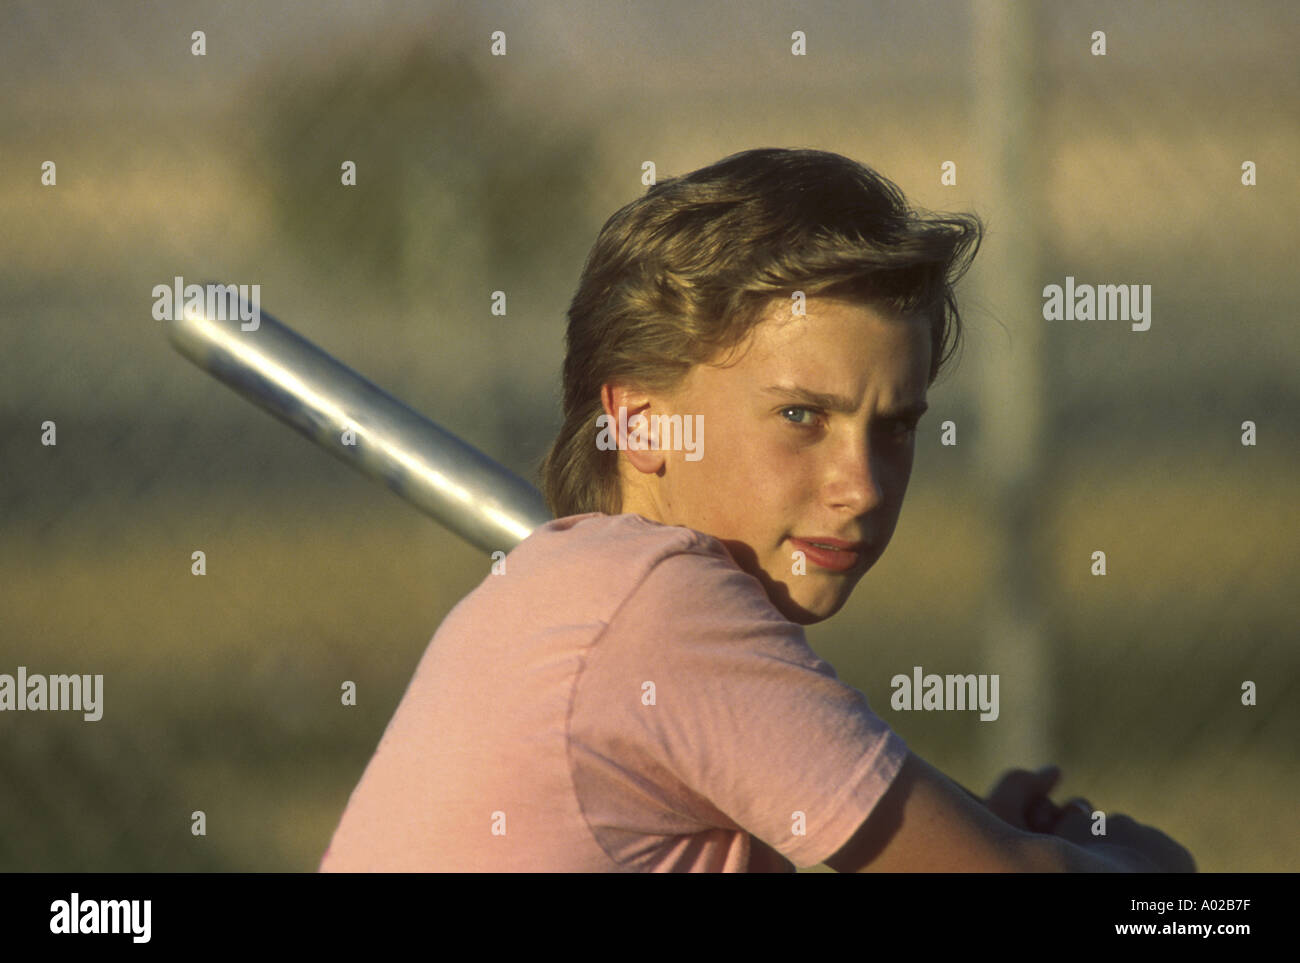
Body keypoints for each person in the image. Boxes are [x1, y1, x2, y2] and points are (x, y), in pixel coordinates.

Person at [319, 147, 1196, 872]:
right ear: (638, 421)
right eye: (801, 417)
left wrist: (969, 837)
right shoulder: (660, 608)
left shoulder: (584, 595)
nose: (864, 484)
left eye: (894, 426)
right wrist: (1137, 864)